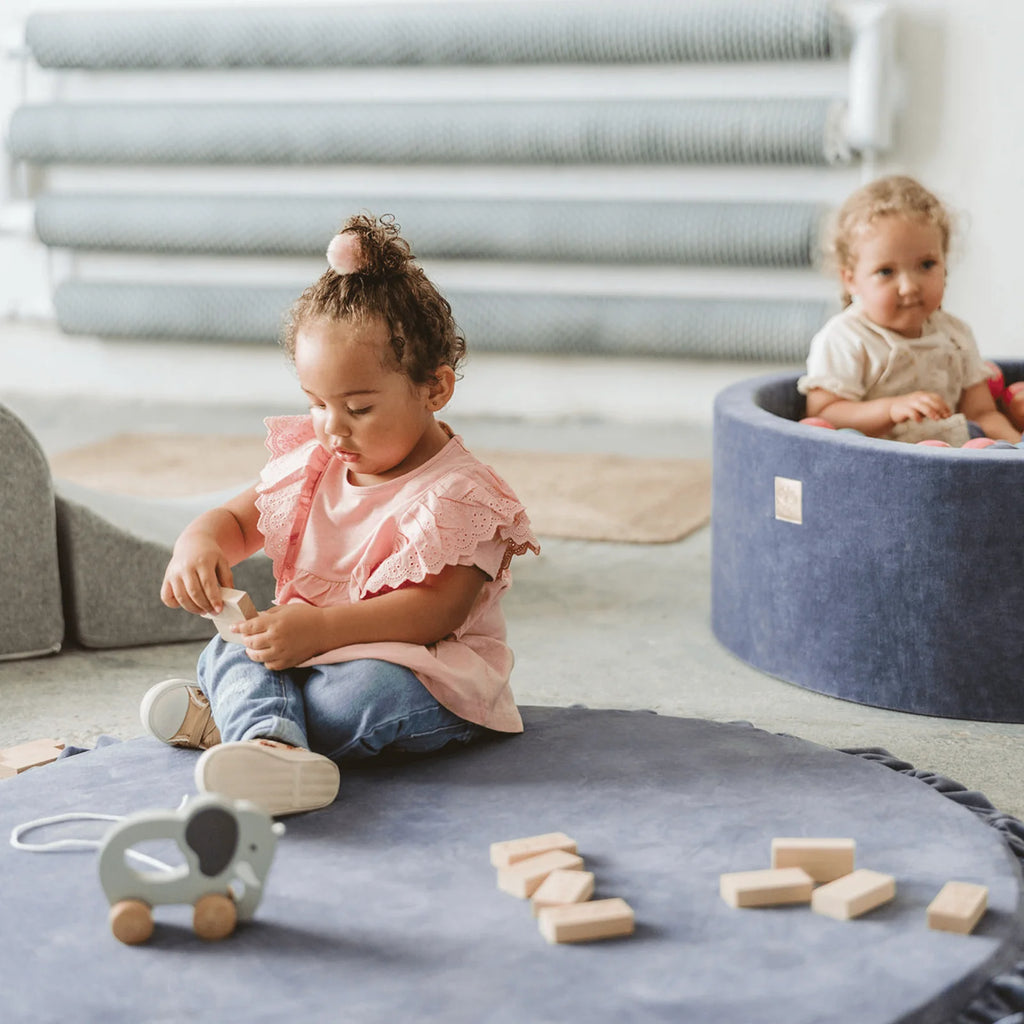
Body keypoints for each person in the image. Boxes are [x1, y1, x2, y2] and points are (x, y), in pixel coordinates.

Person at [140, 213, 540, 816]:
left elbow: (438, 611)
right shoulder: (314, 463)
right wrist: (198, 545)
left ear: (435, 389)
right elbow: (233, 520)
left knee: (359, 698)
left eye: (357, 407)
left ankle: (243, 725)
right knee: (230, 649)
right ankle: (272, 747)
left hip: (423, 673)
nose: (331, 427)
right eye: (315, 403)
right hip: (312, 653)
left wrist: (319, 631)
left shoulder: (460, 496)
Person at [798, 175, 1020, 445]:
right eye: (886, 271)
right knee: (817, 428)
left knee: (984, 444)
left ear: (944, 264)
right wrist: (890, 409)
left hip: (957, 460)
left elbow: (982, 413)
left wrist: (1015, 445)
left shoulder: (955, 335)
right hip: (880, 462)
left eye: (926, 265)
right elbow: (824, 412)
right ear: (851, 280)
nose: (909, 287)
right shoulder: (846, 338)